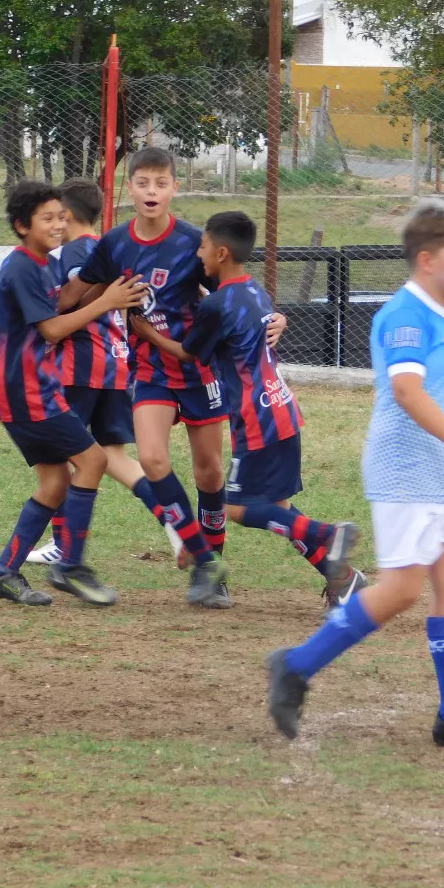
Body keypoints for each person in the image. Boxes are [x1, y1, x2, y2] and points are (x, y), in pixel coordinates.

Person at [265, 198, 444, 748]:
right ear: (428, 259)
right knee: (404, 587)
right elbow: (407, 393)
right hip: (407, 470)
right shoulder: (404, 316)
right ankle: (295, 664)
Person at [63, 148, 282, 609]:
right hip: (150, 371)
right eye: (143, 183)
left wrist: (271, 317)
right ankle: (204, 560)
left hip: (199, 367)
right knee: (153, 459)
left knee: (209, 470)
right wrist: (48, 307)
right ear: (130, 187)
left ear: (174, 188)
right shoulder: (114, 243)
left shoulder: (191, 241)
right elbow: (80, 293)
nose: (151, 192)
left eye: (161, 184)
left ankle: (212, 569)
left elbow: (236, 288)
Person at [146, 211, 365, 606]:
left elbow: (187, 351)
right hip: (282, 408)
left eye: (203, 247)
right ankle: (344, 580)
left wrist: (141, 327)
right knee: (279, 509)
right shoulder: (255, 291)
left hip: (256, 418)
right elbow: (229, 316)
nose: (198, 253)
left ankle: (327, 535)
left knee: (233, 506)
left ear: (222, 253)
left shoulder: (216, 307)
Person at [0, 180, 147, 607]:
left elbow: (69, 300)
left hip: (36, 387)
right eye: (47, 219)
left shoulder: (45, 264)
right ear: (22, 226)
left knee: (54, 483)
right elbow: (52, 327)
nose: (58, 225)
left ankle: (3, 573)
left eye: (61, 217)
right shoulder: (20, 266)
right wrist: (106, 302)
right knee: (92, 460)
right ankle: (69, 564)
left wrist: (110, 282)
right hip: (24, 390)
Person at [24, 177, 184, 565]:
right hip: (115, 365)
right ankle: (175, 521)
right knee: (112, 457)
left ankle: (65, 544)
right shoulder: (111, 247)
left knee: (64, 457)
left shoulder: (74, 254)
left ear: (66, 214)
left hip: (78, 368)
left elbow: (71, 304)